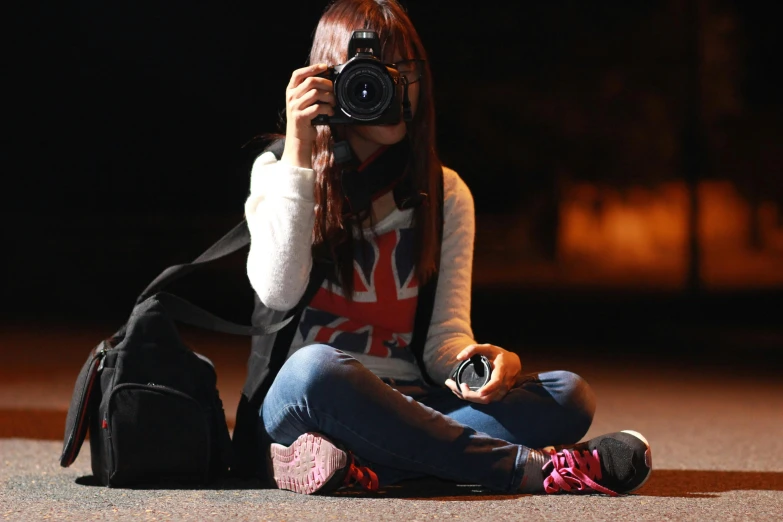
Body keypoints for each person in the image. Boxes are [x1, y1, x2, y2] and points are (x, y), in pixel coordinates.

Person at [243, 0, 652, 497]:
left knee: (568, 395)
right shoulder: (279, 171)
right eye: (371, 74)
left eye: (404, 72)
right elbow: (278, 292)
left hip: (415, 404)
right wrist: (302, 154)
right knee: (316, 368)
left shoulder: (444, 192)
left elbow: (443, 344)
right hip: (305, 402)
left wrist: (477, 363)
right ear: (327, 80)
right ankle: (531, 469)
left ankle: (358, 465)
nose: (393, 88)